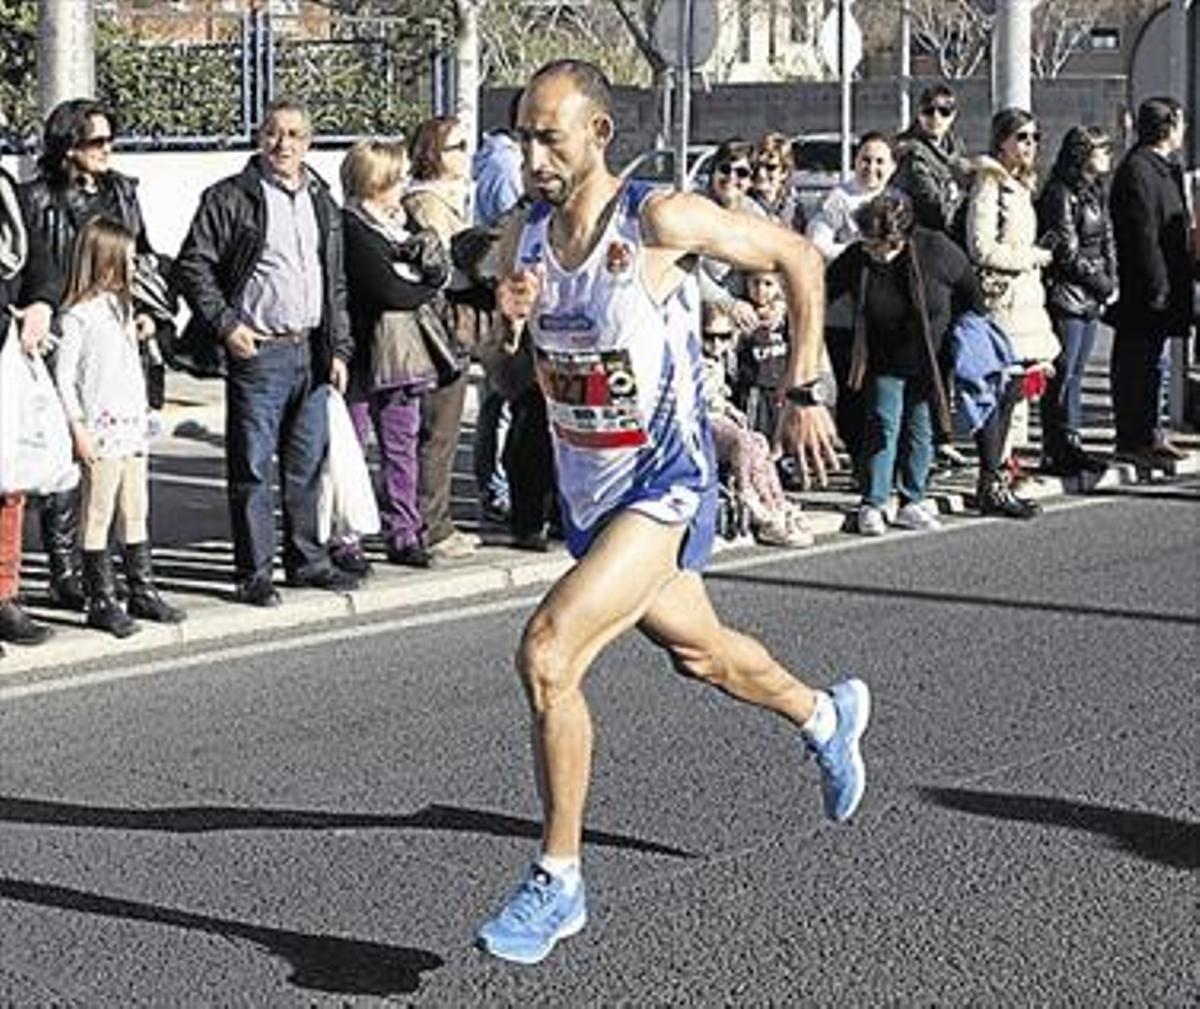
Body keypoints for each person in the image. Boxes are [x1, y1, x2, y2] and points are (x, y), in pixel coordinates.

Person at [474, 59, 870, 966]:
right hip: (592, 498)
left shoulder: (657, 218)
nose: (533, 154)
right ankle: (823, 716)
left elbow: (799, 255)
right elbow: (507, 378)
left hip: (665, 486)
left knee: (548, 651)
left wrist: (803, 382)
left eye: (549, 135)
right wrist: (505, 322)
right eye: (523, 136)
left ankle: (558, 878)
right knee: (700, 653)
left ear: (598, 134)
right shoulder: (522, 240)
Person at [175, 98, 358, 607]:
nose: (284, 144)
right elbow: (193, 265)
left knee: (305, 465)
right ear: (260, 137)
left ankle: (307, 561)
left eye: (295, 135)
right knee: (252, 468)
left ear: (309, 142)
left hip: (312, 351)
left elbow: (335, 281)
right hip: (260, 353)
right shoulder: (231, 197)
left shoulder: (322, 199)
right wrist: (226, 325)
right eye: (274, 133)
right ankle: (254, 573)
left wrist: (339, 348)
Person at [19, 98, 163, 613]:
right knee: (65, 466)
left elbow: (141, 256)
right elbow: (30, 265)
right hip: (61, 330)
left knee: (122, 483)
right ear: (68, 147)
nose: (107, 150)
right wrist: (38, 310)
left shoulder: (122, 192)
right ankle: (65, 571)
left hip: (117, 335)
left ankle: (128, 583)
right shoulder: (36, 198)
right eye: (96, 141)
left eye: (109, 139)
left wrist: (152, 314)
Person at [55, 217, 185, 636]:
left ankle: (142, 588)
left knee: (136, 508)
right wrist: (77, 427)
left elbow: (132, 366)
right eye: (126, 260)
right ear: (105, 261)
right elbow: (65, 377)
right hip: (100, 426)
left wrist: (147, 331)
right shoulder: (78, 315)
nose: (133, 268)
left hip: (131, 424)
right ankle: (100, 597)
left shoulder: (124, 307)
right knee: (98, 510)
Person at [825, 192, 980, 536]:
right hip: (881, 357)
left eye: (880, 246)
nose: (874, 253)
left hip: (929, 357)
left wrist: (961, 331)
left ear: (902, 237)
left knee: (920, 429)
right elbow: (825, 289)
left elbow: (971, 290)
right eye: (868, 244)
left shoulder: (936, 249)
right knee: (882, 423)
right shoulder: (858, 257)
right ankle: (874, 500)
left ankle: (913, 498)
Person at [341, 139, 450, 569]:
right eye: (396, 177)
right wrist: (424, 286)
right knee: (350, 451)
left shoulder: (398, 225)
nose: (403, 185)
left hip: (402, 358)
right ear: (376, 180)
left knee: (401, 446)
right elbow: (389, 289)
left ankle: (403, 531)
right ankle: (344, 535)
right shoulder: (352, 227)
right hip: (362, 354)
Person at [402, 116, 482, 562]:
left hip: (445, 320)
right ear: (434, 152)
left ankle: (433, 519)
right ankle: (432, 525)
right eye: (456, 146)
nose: (464, 154)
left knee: (440, 429)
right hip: (439, 322)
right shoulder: (428, 203)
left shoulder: (441, 199)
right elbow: (446, 266)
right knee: (439, 429)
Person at [966, 108, 1059, 463]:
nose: (1030, 145)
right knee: (1002, 388)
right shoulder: (990, 183)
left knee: (1020, 390)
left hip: (1026, 301)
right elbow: (982, 247)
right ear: (1002, 141)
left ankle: (1007, 462)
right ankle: (993, 468)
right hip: (1003, 300)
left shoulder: (1020, 184)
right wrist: (1031, 256)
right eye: (1021, 137)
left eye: (1035, 138)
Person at [1108, 96, 1193, 467]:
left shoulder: (1165, 168)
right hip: (1146, 289)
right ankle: (1133, 437)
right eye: (1180, 123)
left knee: (1156, 365)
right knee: (1137, 365)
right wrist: (1157, 285)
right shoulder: (1137, 170)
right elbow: (1143, 235)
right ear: (1167, 126)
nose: (1184, 131)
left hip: (1168, 282)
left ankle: (1152, 432)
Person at [807, 132, 897, 463]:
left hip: (887, 307)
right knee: (851, 386)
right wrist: (860, 250)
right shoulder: (838, 198)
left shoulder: (897, 199)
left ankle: (880, 458)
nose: (871, 168)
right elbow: (817, 243)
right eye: (865, 160)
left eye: (879, 162)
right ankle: (858, 454)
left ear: (891, 167)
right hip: (845, 306)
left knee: (882, 385)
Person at [1036, 126, 1116, 477]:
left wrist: (1109, 279)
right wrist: (1101, 282)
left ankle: (1073, 441)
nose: (1107, 154)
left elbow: (1105, 238)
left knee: (1077, 372)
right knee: (1064, 372)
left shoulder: (1094, 190)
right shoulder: (1060, 193)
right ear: (1083, 153)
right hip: (1068, 295)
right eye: (1101, 148)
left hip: (1089, 294)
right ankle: (1057, 447)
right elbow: (1066, 252)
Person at [0, 162, 57, 655]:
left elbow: (39, 263)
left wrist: (40, 302)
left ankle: (4, 597)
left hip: (5, 352)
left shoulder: (5, 189)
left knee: (8, 484)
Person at [701, 304, 814, 548]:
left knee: (759, 441)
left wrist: (730, 409)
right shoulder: (691, 359)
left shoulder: (723, 358)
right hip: (700, 421)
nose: (717, 344)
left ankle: (775, 503)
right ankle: (747, 495)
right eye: (709, 337)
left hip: (720, 415)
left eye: (724, 337)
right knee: (742, 440)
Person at [471, 92, 526, 526]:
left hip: (503, 296)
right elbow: (511, 235)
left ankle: (499, 485)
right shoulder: (509, 168)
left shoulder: (495, 160)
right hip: (503, 298)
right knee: (502, 403)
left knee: (498, 404)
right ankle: (499, 488)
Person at [892, 84, 971, 239]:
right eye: (928, 111)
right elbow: (935, 211)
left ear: (953, 115)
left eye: (944, 112)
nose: (936, 117)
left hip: (951, 231)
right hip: (920, 236)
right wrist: (958, 196)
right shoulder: (910, 152)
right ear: (919, 114)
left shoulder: (956, 147)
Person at [749, 131, 801, 231]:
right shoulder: (742, 202)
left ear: (784, 172)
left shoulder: (793, 207)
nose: (761, 173)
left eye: (770, 167)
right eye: (757, 165)